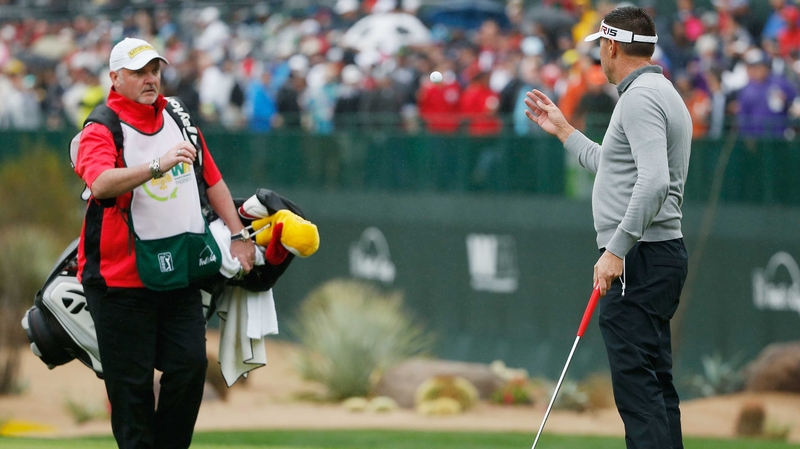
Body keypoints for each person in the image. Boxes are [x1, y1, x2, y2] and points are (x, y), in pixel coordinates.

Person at [73, 37, 255, 449]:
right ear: (115, 78)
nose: (150, 79)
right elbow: (100, 182)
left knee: (190, 368)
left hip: (180, 272)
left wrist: (240, 235)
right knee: (132, 390)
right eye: (139, 72)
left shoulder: (177, 113)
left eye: (154, 70)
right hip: (117, 281)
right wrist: (157, 165)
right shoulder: (101, 126)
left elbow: (212, 179)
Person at [525, 7, 691, 449]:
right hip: (658, 255)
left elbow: (653, 181)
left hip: (639, 258)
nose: (599, 53)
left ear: (611, 46)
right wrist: (565, 132)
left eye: (600, 45)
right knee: (656, 385)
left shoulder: (638, 99)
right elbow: (617, 167)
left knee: (639, 392)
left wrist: (616, 250)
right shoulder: (660, 92)